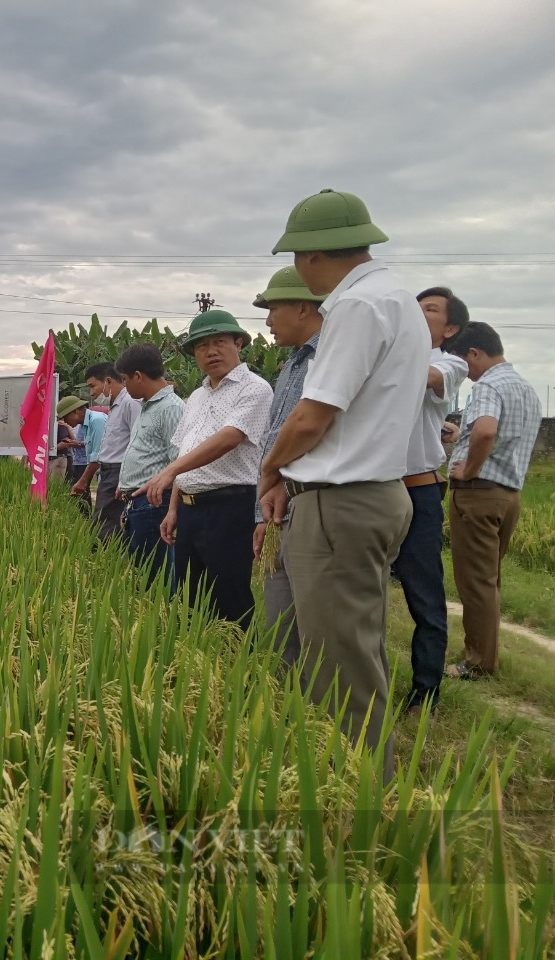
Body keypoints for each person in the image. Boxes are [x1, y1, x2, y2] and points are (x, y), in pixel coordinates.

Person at [259, 189, 428, 781]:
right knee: (354, 651)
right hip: (372, 495)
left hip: (341, 503)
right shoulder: (399, 299)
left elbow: (312, 415)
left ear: (309, 256)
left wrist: (270, 469)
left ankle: (356, 808)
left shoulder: (356, 306)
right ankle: (352, 782)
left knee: (336, 667)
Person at [137, 310, 272, 629]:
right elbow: (188, 454)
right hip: (190, 510)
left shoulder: (254, 388)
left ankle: (242, 672)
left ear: (238, 343)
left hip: (230, 505)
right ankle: (199, 669)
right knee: (190, 597)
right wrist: (173, 510)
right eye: (201, 346)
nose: (211, 351)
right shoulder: (196, 397)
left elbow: (230, 437)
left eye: (219, 342)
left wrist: (169, 471)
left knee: (229, 596)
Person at [443, 322, 542, 679]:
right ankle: (485, 653)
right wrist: (461, 435)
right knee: (489, 579)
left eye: (465, 364)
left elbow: (487, 431)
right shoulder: (523, 388)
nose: (467, 374)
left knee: (475, 581)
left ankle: (478, 663)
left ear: (475, 353)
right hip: (507, 495)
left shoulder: (487, 385)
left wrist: (467, 470)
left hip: (478, 494)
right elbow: (491, 435)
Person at [391, 287, 470, 712]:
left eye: (431, 310)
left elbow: (423, 379)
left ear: (450, 327)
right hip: (372, 489)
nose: (419, 315)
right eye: (415, 308)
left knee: (424, 595)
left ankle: (426, 692)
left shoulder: (448, 363)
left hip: (417, 491)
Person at [250, 266, 325, 668]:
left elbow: (307, 428)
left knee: (319, 628)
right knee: (280, 620)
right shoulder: (294, 363)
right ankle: (285, 708)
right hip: (281, 504)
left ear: (302, 307)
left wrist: (269, 472)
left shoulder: (328, 357)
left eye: (272, 308)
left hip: (314, 499)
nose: (267, 321)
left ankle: (323, 718)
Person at [113, 343, 185, 584]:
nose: (124, 385)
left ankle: (164, 619)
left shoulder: (171, 408)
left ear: (138, 376)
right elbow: (145, 453)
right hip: (138, 503)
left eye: (125, 379)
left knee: (157, 578)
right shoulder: (148, 407)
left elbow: (181, 461)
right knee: (141, 573)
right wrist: (125, 484)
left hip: (156, 503)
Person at [85, 363, 141, 542]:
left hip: (119, 472)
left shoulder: (130, 403)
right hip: (108, 473)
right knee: (104, 522)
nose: (91, 393)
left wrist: (125, 478)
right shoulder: (114, 406)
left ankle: (107, 564)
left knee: (106, 527)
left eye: (92, 386)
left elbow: (137, 440)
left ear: (108, 380)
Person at [61, 395, 107, 510]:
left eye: (66, 418)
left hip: (112, 472)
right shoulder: (87, 424)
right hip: (103, 473)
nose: (65, 422)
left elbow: (97, 456)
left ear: (75, 412)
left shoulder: (97, 421)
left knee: (106, 515)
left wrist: (83, 481)